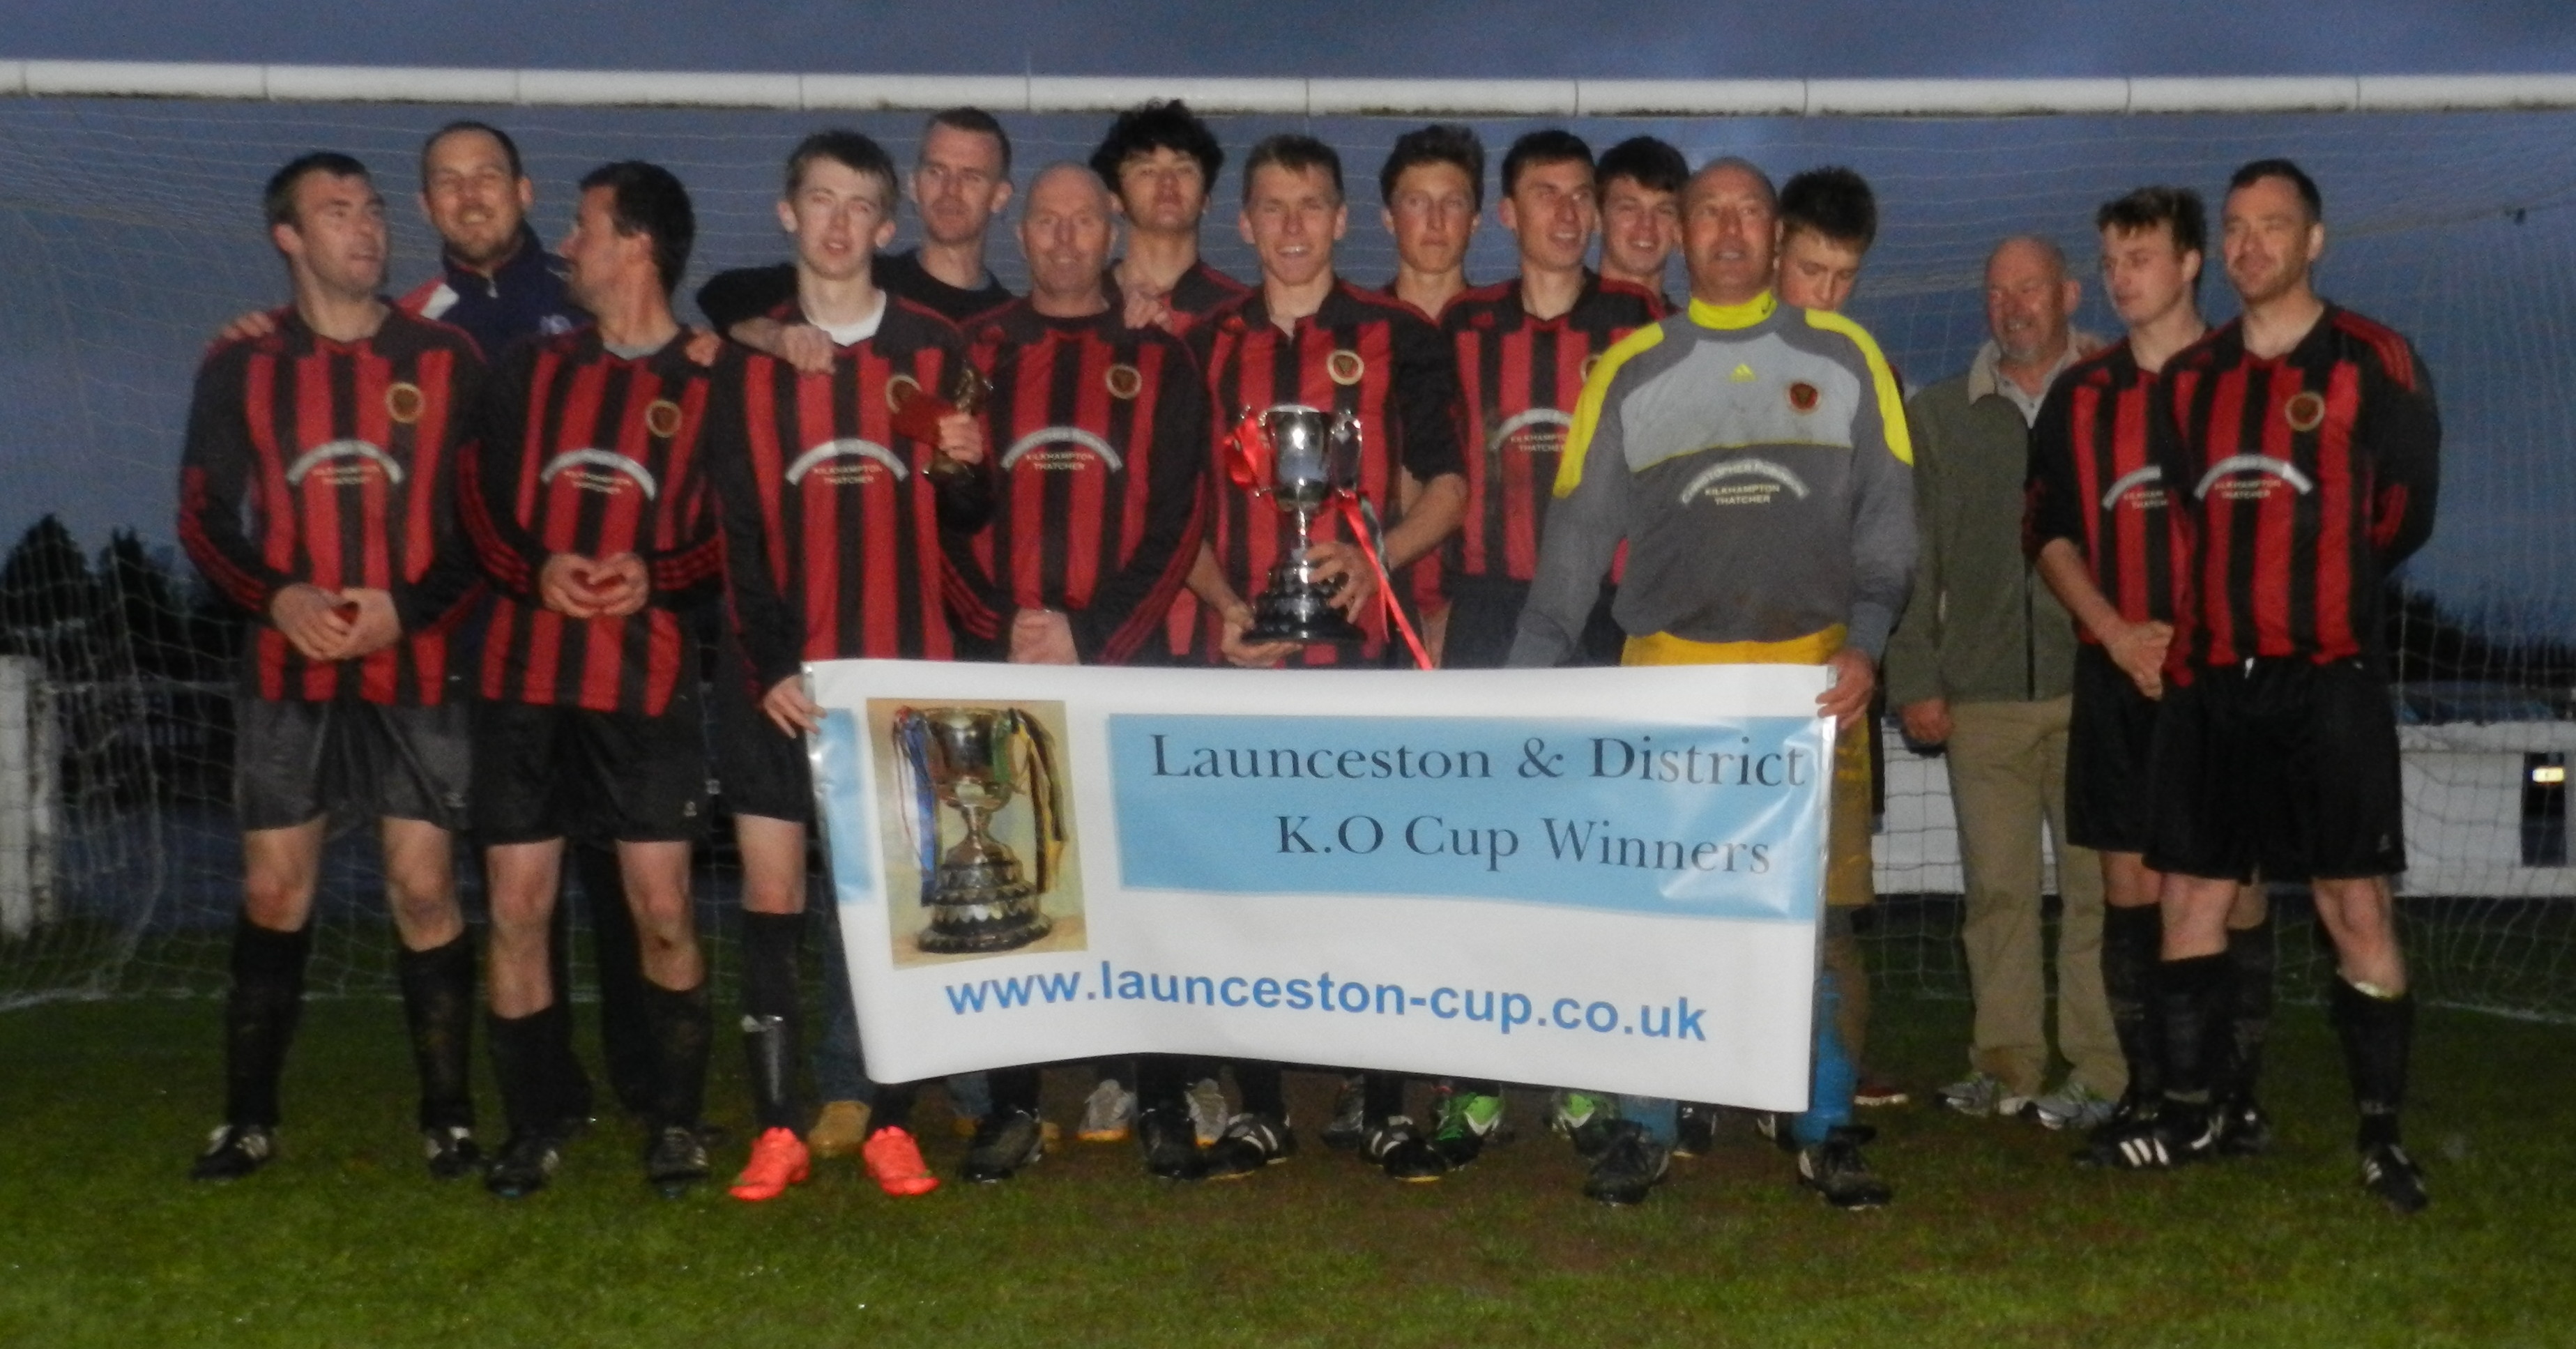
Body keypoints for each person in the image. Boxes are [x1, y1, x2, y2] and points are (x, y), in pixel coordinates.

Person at [211, 124, 660, 1119]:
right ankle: (542, 1088)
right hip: (468, 645)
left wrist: (744, 335)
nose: (469, 195)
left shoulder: (594, 283)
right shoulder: (416, 325)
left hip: (610, 634)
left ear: (524, 189)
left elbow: (679, 357)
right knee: (513, 880)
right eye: (446, 183)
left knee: (628, 872)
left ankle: (645, 1081)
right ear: (426, 207)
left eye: (486, 176)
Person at [1507, 156, 1909, 1210]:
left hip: (1809, 685)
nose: (1729, 231)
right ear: (1680, 235)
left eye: (1748, 212)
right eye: (1709, 213)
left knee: (1816, 925)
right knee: (1663, 917)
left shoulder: (1848, 358)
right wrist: (1517, 690)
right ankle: (1645, 1126)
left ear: (1775, 234)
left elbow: (1887, 529)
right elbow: (1571, 552)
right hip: (1669, 684)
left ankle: (1825, 1125)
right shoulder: (1628, 369)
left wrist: (1866, 643)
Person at [2103, 160, 2439, 1216]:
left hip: (2326, 677)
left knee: (2352, 901)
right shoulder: (2188, 380)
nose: (2250, 246)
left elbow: (2401, 512)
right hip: (2212, 681)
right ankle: (2188, 1112)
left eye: (2272, 226)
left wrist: (2313, 592)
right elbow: (2186, 513)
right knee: (2190, 895)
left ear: (2312, 240)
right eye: (2236, 229)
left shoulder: (2372, 358)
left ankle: (2380, 1134)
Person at [1152, 132, 1466, 1184]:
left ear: (1340, 219)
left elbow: (1448, 488)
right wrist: (1223, 605)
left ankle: (1381, 1107)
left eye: (1311, 205)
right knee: (1248, 891)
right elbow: (1173, 509)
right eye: (1272, 207)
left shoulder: (1398, 334)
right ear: (1242, 224)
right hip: (1244, 666)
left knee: (1372, 889)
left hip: (1363, 665)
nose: (1291, 226)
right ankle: (1261, 1109)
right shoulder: (1199, 344)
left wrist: (1376, 561)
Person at [178, 152, 487, 1180]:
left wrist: (408, 608)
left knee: (425, 889)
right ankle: (245, 1119)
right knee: (276, 891)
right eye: (337, 211)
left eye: (373, 210)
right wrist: (280, 597)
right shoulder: (243, 364)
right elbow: (203, 517)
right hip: (287, 669)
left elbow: (485, 525)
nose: (365, 228)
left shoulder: (445, 358)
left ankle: (448, 1117)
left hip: (418, 666)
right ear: (289, 237)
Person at [703, 128, 995, 1201]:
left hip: (896, 682)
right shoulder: (749, 361)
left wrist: (964, 467)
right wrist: (773, 666)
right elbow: (736, 526)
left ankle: (889, 1118)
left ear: (886, 223)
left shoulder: (932, 346)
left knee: (893, 904)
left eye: (858, 203)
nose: (837, 222)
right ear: (789, 213)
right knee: (774, 894)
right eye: (819, 200)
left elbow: (968, 512)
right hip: (778, 678)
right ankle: (777, 1126)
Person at [455, 161, 722, 1199]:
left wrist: (658, 573)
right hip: (524, 685)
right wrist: (535, 570)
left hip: (644, 690)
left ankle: (677, 1121)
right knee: (518, 907)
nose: (567, 243)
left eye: (585, 226)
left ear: (638, 245)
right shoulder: (530, 370)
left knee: (663, 908)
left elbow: (732, 536)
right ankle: (535, 1121)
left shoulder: (710, 378)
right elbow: (473, 502)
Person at [948, 163, 1209, 1180]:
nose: (1063, 238)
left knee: (1144, 885)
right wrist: (1001, 626)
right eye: (1046, 221)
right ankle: (1013, 1104)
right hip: (1005, 661)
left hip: (1120, 662)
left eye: (1082, 221)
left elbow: (1180, 516)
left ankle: (1161, 1095)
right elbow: (943, 510)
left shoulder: (1158, 354)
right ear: (1021, 235)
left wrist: (1090, 633)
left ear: (1113, 233)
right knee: (1012, 880)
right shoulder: (979, 353)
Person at [1425, 128, 1663, 1168]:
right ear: (1506, 214)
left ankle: (1581, 1071)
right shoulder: (1462, 325)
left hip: (1605, 614)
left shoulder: (1638, 322)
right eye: (1543, 194)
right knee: (1482, 849)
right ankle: (1472, 1080)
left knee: (1591, 849)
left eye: (1579, 195)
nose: (1565, 213)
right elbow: (1429, 475)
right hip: (1490, 609)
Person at [2026, 186, 2278, 1160]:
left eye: (2139, 258)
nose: (2119, 278)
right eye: (2109, 261)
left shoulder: (2246, 377)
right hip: (2116, 670)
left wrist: (2206, 636)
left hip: (2223, 676)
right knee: (2127, 884)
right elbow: (2045, 532)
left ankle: (2233, 1094)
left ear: (2188, 263)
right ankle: (2149, 1092)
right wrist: (2116, 633)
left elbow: (2282, 526)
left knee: (2230, 885)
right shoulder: (2080, 394)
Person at [1889, 236, 2119, 1131]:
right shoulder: (1939, 414)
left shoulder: (2111, 393)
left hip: (2093, 691)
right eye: (1995, 292)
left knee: (2099, 893)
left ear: (2067, 293)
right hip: (1979, 697)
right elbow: (1914, 558)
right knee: (1995, 896)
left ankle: (2099, 1070)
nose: (2011, 306)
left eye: (2028, 288)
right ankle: (2005, 1064)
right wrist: (1916, 675)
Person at [1763, 165, 1905, 1120]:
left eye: (1844, 275)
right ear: (1775, 248)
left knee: (1829, 903)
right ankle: (1706, 1083)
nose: (1825, 292)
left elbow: (1890, 539)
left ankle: (1826, 1101)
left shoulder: (1866, 373)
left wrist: (1865, 644)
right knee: (1714, 889)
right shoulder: (1707, 354)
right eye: (1810, 268)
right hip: (1718, 670)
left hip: (1826, 672)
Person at [698, 108, 1016, 360]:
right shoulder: (859, 277)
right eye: (936, 171)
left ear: (1001, 196)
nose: (950, 191)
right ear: (914, 185)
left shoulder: (1010, 323)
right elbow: (724, 294)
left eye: (971, 177)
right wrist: (774, 337)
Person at [1091, 99, 1251, 333]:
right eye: (1147, 171)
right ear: (1115, 199)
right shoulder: (1081, 305)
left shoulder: (1240, 312)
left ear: (1205, 198)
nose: (1168, 182)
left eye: (1184, 169)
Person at [1379, 124, 1484, 319]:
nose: (1436, 221)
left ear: (1475, 221)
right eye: (1416, 202)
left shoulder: (1503, 328)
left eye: (1453, 203)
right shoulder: (1359, 327)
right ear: (1389, 219)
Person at [1592, 136, 1687, 305]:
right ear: (1597, 217)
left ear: (1679, 230)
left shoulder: (1690, 323)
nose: (1646, 224)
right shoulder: (1557, 316)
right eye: (1629, 208)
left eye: (1664, 211)